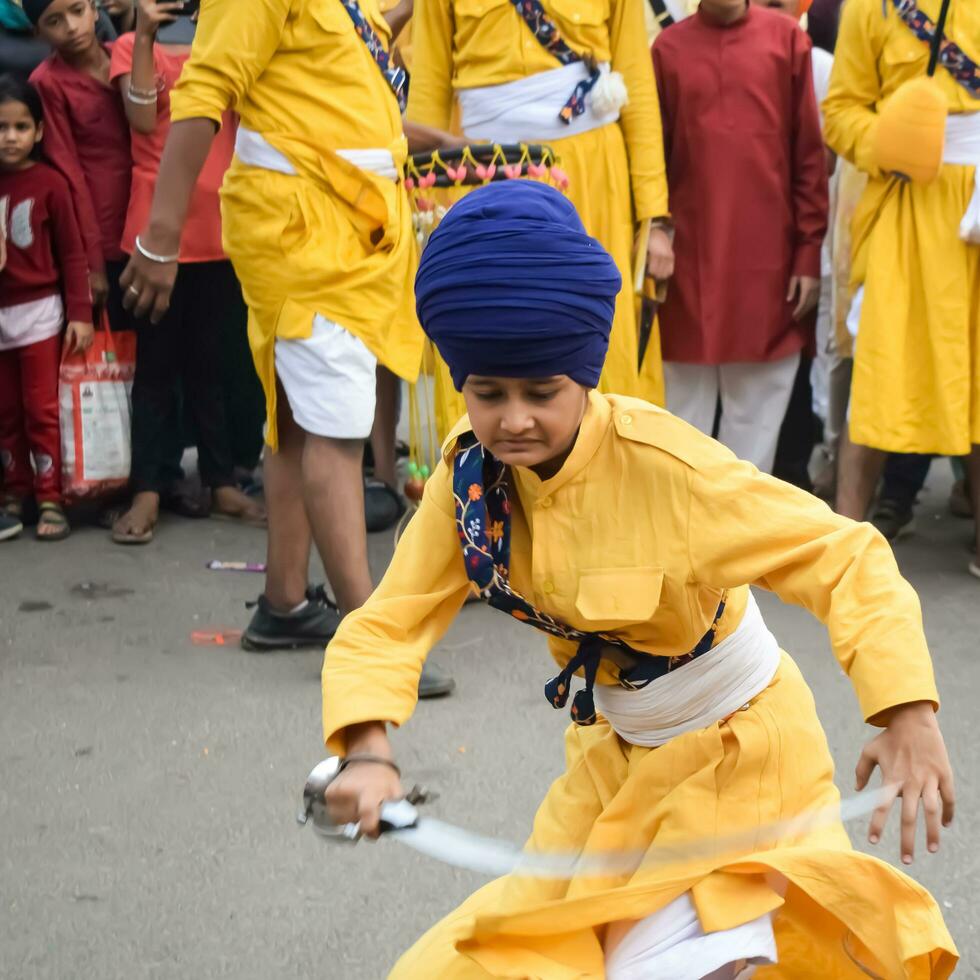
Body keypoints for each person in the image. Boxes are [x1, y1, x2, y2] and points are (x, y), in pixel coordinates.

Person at [319, 181, 957, 977]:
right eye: (488, 393)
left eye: (541, 392)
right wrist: (369, 751)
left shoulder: (670, 470)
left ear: (585, 374)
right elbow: (390, 620)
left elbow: (845, 554)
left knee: (697, 965)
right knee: (494, 966)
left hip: (739, 758)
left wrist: (907, 713)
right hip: (613, 769)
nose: (514, 418)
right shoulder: (470, 483)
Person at [119, 0, 456, 697]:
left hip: (346, 228)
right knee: (336, 431)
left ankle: (283, 604)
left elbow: (332, 97)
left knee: (298, 423)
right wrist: (160, 237)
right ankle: (369, 640)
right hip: (305, 235)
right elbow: (203, 96)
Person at [406, 0, 674, 436]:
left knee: (596, 330)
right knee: (483, 322)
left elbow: (636, 86)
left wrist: (655, 218)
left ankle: (609, 482)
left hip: (590, 176)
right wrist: (423, 208)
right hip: (478, 174)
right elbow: (429, 91)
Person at [823, 0, 980, 575]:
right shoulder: (870, 7)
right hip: (908, 201)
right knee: (880, 370)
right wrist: (891, 142)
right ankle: (845, 546)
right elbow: (840, 111)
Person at [107, 0, 265, 544]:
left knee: (214, 363)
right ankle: (148, 489)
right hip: (157, 236)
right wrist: (146, 35)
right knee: (155, 367)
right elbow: (142, 118)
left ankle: (221, 482)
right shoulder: (129, 47)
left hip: (222, 231)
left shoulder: (229, 43)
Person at [653, 0, 828, 475]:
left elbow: (809, 158)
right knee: (676, 432)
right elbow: (653, 162)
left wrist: (808, 254)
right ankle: (677, 544)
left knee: (752, 448)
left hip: (768, 268)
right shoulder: (667, 50)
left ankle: (739, 545)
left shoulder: (788, 41)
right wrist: (654, 232)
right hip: (685, 267)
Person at [0, 74, 92, 540]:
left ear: (38, 131)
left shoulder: (50, 184)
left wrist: (80, 312)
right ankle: (14, 492)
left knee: (41, 408)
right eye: (1, 127)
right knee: (6, 411)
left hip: (39, 314)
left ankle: (50, 494)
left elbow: (73, 254)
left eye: (19, 127)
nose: (10, 137)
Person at [25, 0, 132, 332]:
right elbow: (68, 172)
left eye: (77, 11)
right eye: (54, 21)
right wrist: (92, 264)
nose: (71, 27)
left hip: (153, 218)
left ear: (94, 10)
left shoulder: (127, 55)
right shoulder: (48, 81)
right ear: (38, 33)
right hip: (103, 230)